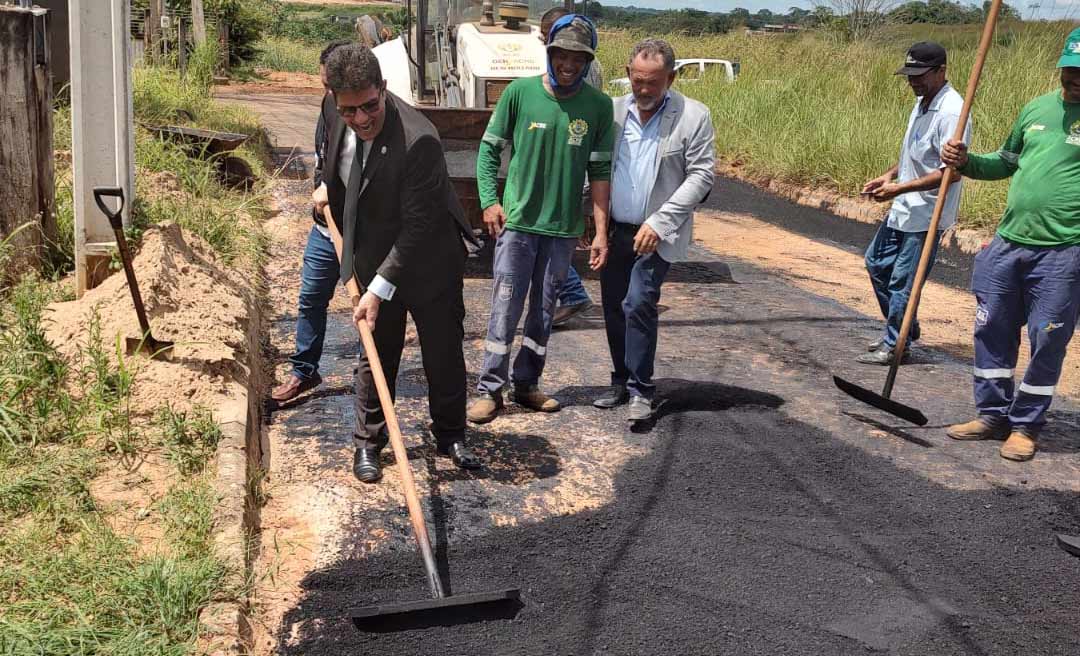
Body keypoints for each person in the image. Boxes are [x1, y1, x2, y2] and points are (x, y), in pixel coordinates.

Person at [314, 44, 481, 482]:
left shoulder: (419, 139)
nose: (363, 118)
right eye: (351, 111)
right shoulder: (334, 112)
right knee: (376, 351)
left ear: (384, 89)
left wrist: (378, 287)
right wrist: (321, 189)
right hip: (373, 250)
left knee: (442, 350)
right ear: (332, 96)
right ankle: (368, 444)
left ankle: (451, 435)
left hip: (429, 257)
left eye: (371, 105)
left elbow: (419, 227)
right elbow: (329, 161)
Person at [941, 27, 1080, 462]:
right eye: (1070, 69)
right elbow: (1005, 162)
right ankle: (992, 414)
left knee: (1048, 338)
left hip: (1064, 251)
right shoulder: (1036, 109)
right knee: (991, 327)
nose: (1075, 78)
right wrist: (965, 162)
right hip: (1008, 243)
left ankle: (1026, 425)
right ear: (1061, 65)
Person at [466, 15, 613, 424]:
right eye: (561, 55)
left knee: (543, 312)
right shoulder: (520, 93)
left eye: (578, 59)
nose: (568, 65)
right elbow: (488, 151)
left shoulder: (598, 108)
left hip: (562, 231)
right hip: (518, 226)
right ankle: (490, 391)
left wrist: (600, 231)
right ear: (549, 52)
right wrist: (490, 201)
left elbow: (600, 173)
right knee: (504, 307)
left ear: (587, 62)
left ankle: (526, 385)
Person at [592, 39, 715, 421]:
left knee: (639, 301)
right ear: (628, 74)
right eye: (638, 80)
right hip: (615, 228)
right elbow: (596, 167)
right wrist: (592, 219)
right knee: (614, 305)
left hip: (657, 233)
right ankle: (620, 379)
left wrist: (660, 223)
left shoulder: (693, 116)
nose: (644, 90)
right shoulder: (611, 112)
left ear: (671, 78)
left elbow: (702, 175)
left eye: (654, 82)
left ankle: (641, 390)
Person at [857, 42, 970, 366]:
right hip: (904, 204)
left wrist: (899, 188)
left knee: (902, 280)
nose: (913, 82)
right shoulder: (922, 102)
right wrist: (888, 176)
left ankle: (896, 345)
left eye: (920, 76)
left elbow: (953, 174)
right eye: (909, 76)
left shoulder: (952, 113)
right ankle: (905, 326)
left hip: (927, 212)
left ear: (941, 72)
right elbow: (913, 151)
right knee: (876, 264)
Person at [271, 40, 351, 403]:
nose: (328, 93)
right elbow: (324, 161)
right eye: (324, 85)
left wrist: (336, 196)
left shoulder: (366, 115)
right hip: (325, 228)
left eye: (332, 86)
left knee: (367, 308)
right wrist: (322, 190)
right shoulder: (328, 105)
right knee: (311, 299)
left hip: (361, 234)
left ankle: (372, 381)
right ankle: (305, 371)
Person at [538, 6, 602, 327]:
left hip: (573, 170)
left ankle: (573, 294)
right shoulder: (590, 63)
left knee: (546, 236)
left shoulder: (576, 73)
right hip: (574, 169)